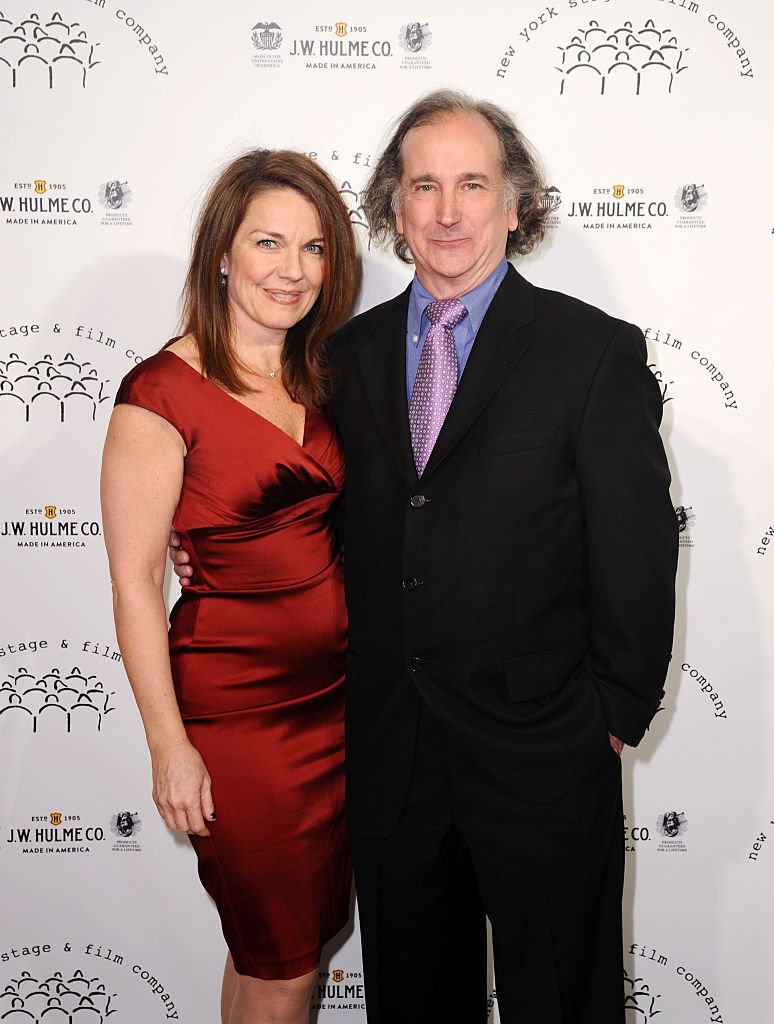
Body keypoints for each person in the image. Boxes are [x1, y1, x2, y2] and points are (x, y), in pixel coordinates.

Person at [173, 91, 677, 1023]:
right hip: (392, 762)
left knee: (562, 1003)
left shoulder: (591, 353)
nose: (448, 211)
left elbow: (639, 549)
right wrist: (217, 554)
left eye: (473, 185)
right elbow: (302, 510)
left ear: (515, 205)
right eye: (425, 186)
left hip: (545, 759)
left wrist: (612, 713)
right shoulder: (338, 359)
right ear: (394, 209)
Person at [101, 149, 359, 1024]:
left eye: (315, 249)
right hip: (237, 720)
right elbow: (137, 582)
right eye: (269, 243)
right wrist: (168, 744)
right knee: (285, 965)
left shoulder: (322, 375)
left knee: (271, 954)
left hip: (336, 706)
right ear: (222, 252)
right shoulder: (159, 394)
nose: (293, 271)